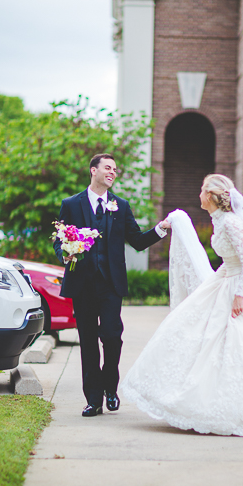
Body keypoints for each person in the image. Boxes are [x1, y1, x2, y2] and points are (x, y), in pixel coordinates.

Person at [119, 174, 243, 437]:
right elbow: (228, 259)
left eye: (202, 190)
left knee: (238, 342)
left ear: (212, 196)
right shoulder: (219, 221)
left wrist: (239, 295)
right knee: (194, 332)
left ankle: (242, 409)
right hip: (225, 278)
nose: (199, 194)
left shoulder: (232, 223)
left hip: (241, 286)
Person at [54, 153, 170, 418]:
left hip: (110, 285)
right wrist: (65, 254)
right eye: (108, 168)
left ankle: (110, 389)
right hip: (82, 285)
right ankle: (93, 401)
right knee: (88, 343)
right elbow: (58, 239)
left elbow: (138, 241)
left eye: (115, 169)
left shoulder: (121, 206)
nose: (113, 172)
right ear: (93, 170)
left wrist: (160, 229)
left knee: (112, 337)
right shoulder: (71, 204)